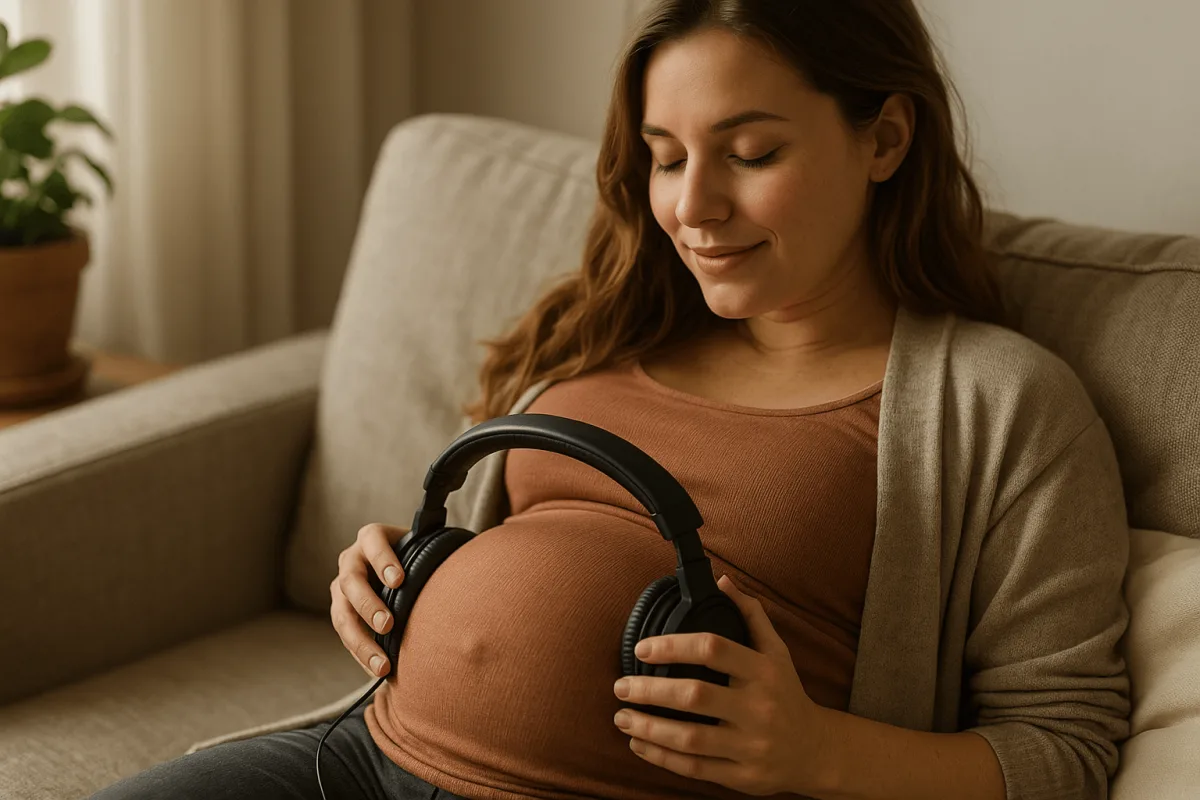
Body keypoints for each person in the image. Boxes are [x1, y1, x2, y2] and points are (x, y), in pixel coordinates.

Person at [90, 1, 1132, 799]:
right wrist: (393, 576)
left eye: (752, 152)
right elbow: (512, 547)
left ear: (885, 140)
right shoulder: (607, 328)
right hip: (356, 756)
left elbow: (1068, 747)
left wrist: (818, 751)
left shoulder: (1002, 404)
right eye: (665, 156)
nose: (692, 207)